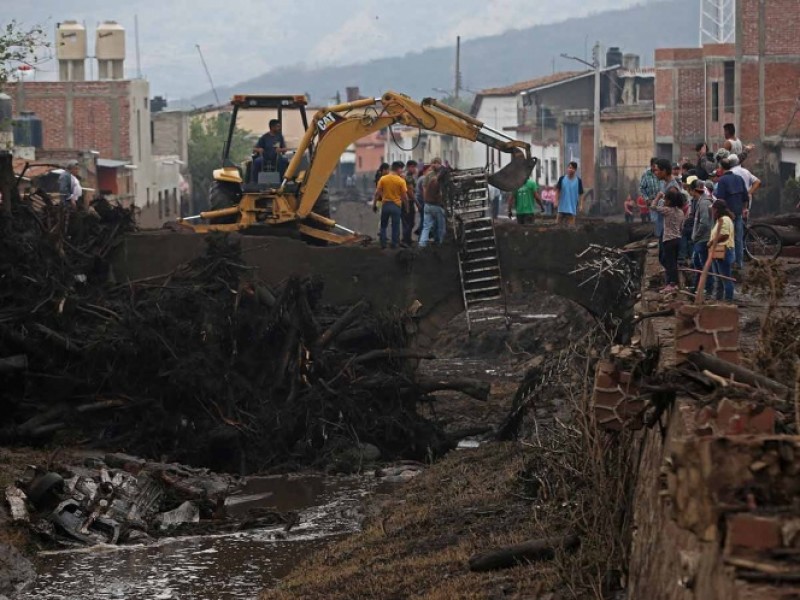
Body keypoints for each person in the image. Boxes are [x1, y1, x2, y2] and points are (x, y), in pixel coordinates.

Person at [714, 156, 749, 270]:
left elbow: (720, 200)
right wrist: (744, 209)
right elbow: (745, 196)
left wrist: (726, 213)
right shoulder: (739, 178)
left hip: (727, 215)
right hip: (738, 212)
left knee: (728, 239)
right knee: (738, 239)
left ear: (721, 167)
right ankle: (739, 263)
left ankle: (730, 263)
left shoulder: (722, 180)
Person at [650, 187, 685, 293]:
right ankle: (672, 282)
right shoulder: (680, 212)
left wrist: (658, 197)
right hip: (678, 239)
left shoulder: (667, 210)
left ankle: (672, 284)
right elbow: (681, 227)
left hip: (669, 240)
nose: (664, 201)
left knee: (670, 262)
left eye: (666, 200)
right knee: (673, 262)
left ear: (669, 201)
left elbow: (653, 207)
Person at [373, 161, 408, 249]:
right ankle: (394, 243)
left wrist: (374, 204)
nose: (402, 171)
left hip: (385, 205)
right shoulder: (401, 181)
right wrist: (407, 207)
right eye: (401, 170)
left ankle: (383, 243)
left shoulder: (383, 179)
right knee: (395, 226)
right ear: (398, 169)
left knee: (383, 225)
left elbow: (377, 193)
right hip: (396, 206)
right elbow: (404, 197)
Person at [689, 179, 714, 297]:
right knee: (698, 263)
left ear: (694, 191)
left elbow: (704, 223)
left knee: (704, 264)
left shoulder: (704, 203)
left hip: (703, 238)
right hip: (701, 238)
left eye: (690, 191)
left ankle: (708, 289)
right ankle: (697, 287)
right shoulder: (702, 201)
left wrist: (696, 236)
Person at [708, 199, 736, 301]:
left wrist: (711, 242)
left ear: (716, 210)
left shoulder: (724, 219)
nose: (712, 212)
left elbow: (724, 235)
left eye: (713, 210)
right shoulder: (721, 220)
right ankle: (718, 299)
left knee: (725, 278)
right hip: (719, 252)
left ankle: (728, 300)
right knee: (718, 278)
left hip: (724, 251)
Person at [419, 158, 446, 247]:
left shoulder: (428, 175)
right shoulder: (440, 178)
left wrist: (425, 200)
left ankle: (422, 244)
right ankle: (440, 244)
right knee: (440, 226)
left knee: (426, 226)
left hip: (427, 204)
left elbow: (424, 188)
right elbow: (441, 193)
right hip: (436, 205)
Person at [554, 161, 584, 226]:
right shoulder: (562, 179)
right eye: (569, 167)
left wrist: (581, 205)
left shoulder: (578, 181)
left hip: (572, 208)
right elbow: (557, 191)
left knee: (571, 228)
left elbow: (581, 193)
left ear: (575, 170)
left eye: (572, 168)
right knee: (557, 225)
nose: (570, 169)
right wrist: (556, 201)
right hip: (561, 207)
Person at [401, 160, 418, 246]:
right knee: (410, 222)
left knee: (407, 222)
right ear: (409, 167)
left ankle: (406, 239)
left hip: (403, 201)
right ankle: (406, 240)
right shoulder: (409, 177)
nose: (415, 169)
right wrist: (417, 202)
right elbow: (410, 192)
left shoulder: (405, 176)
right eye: (413, 167)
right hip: (408, 202)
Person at [640, 157, 661, 225]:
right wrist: (647, 199)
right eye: (654, 166)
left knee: (662, 221)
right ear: (651, 165)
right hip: (651, 202)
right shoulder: (646, 174)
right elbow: (642, 188)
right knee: (654, 220)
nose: (656, 168)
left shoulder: (662, 173)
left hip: (663, 201)